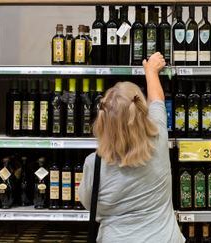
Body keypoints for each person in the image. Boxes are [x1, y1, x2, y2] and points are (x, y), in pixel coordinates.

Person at [78, 52, 185, 243]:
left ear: (102, 121)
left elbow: (89, 204)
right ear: (141, 111)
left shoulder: (93, 163)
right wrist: (151, 71)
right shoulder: (158, 140)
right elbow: (157, 100)